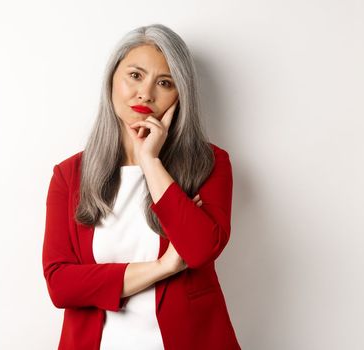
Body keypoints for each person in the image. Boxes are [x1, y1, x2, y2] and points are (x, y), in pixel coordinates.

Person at [42, 24, 241, 349]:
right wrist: (163, 268)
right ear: (112, 80)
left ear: (180, 95)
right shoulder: (69, 175)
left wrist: (150, 161)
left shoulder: (210, 163)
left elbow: (201, 251)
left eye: (164, 83)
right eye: (135, 76)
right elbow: (60, 285)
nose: (146, 93)